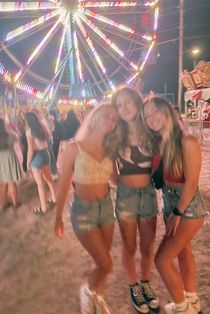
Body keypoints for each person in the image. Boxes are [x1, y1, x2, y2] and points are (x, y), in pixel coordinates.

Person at [142, 95, 208, 314]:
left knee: (162, 260)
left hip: (186, 207)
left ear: (167, 110)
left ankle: (183, 309)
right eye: (147, 116)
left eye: (155, 111)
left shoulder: (187, 141)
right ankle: (192, 301)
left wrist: (177, 213)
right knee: (183, 252)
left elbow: (192, 183)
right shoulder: (159, 142)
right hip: (169, 203)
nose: (151, 118)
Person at [54, 103, 119, 314]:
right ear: (94, 117)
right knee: (106, 264)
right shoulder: (74, 148)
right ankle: (87, 290)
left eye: (114, 119)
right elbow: (63, 184)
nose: (110, 121)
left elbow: (116, 180)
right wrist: (58, 217)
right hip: (83, 211)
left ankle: (97, 297)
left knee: (102, 260)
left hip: (106, 209)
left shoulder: (110, 149)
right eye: (106, 116)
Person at [111, 87, 159, 314]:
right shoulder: (115, 136)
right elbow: (111, 172)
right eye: (119, 105)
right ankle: (134, 287)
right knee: (129, 246)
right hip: (126, 197)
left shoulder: (151, 130)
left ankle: (146, 283)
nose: (124, 108)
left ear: (137, 102)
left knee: (148, 246)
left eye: (128, 102)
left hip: (148, 194)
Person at [25, 111, 56, 214]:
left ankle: (43, 208)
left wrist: (28, 164)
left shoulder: (29, 131)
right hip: (45, 153)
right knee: (49, 179)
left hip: (37, 156)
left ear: (28, 121)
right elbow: (49, 139)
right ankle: (54, 198)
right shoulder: (42, 128)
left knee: (40, 185)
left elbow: (30, 150)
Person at [0, 118, 22, 210]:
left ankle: (3, 204)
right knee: (11, 181)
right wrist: (13, 128)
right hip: (9, 157)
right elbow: (18, 137)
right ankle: (15, 203)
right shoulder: (10, 135)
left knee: (2, 183)